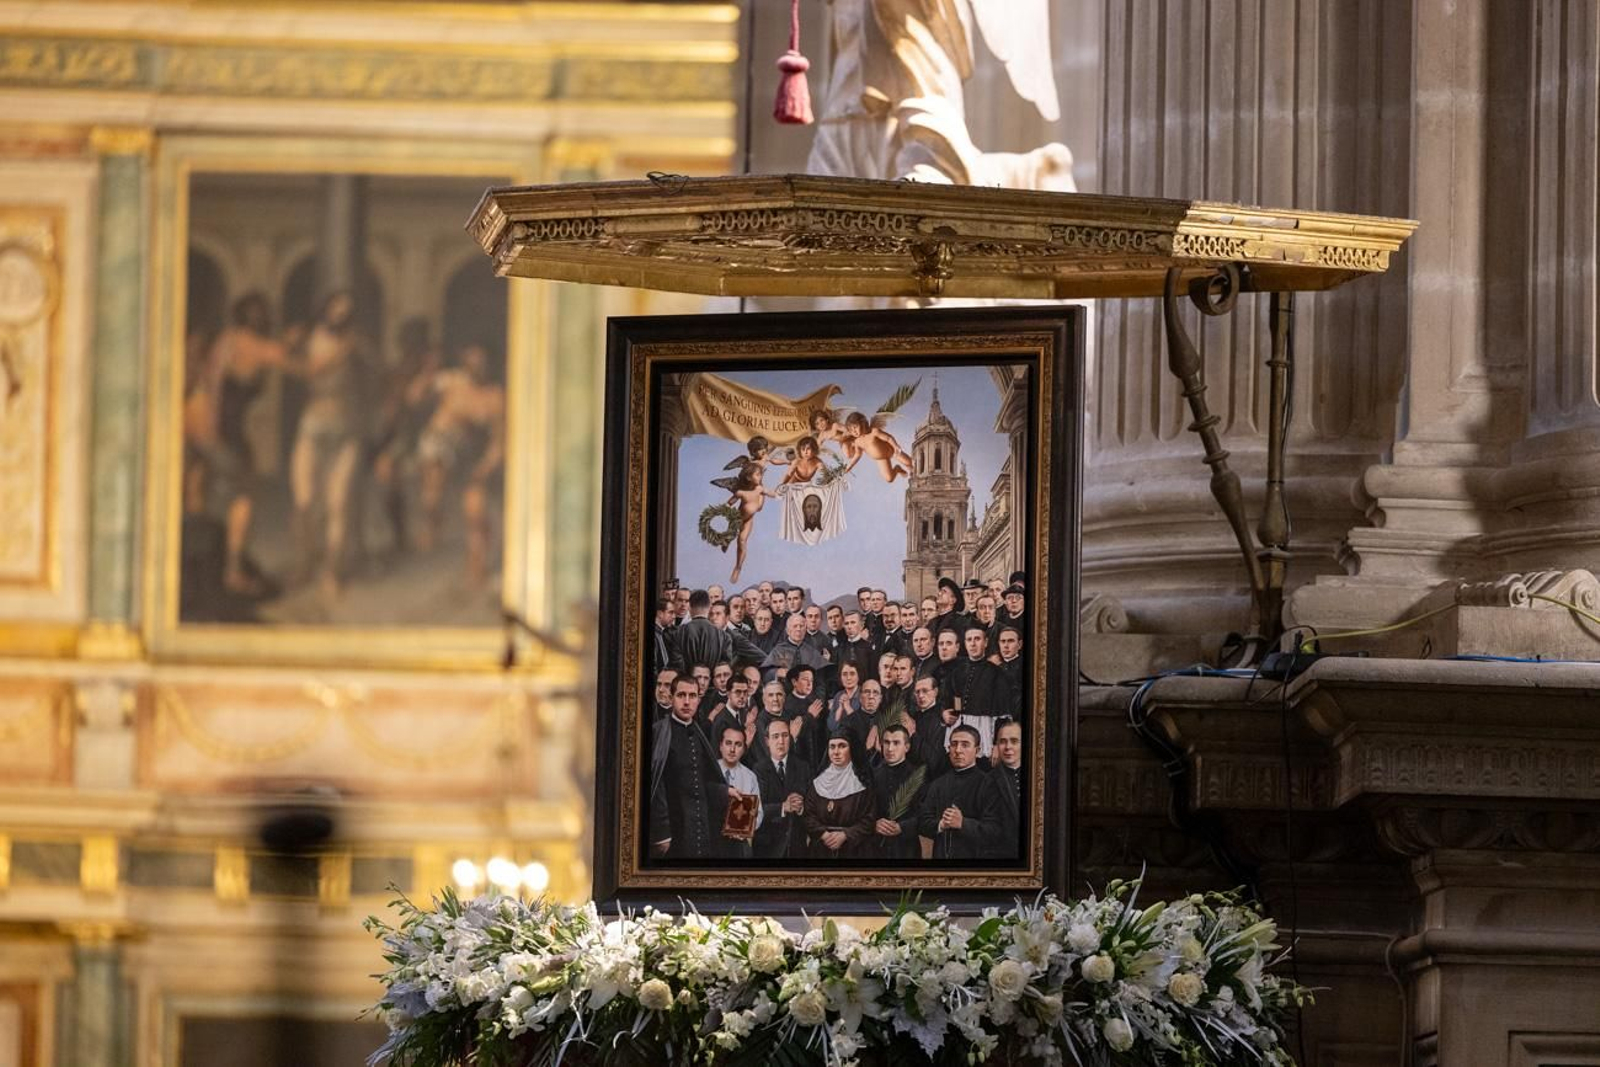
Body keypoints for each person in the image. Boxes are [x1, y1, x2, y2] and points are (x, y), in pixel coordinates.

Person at [290, 289, 370, 598]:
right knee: (305, 501)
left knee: (338, 503)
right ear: (325, 309)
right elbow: (302, 367)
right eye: (336, 307)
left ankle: (331, 571)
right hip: (312, 425)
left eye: (346, 310)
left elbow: (375, 374)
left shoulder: (356, 342)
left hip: (346, 428)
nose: (340, 314)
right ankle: (304, 563)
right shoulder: (309, 337)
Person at [417, 341, 505, 587]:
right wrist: (427, 373)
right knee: (433, 490)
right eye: (472, 361)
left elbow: (499, 442)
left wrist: (484, 468)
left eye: (482, 363)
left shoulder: (495, 397)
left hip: (472, 458)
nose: (476, 367)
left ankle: (476, 568)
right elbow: (417, 397)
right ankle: (432, 523)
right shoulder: (451, 382)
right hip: (440, 445)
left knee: (476, 511)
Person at [648, 676, 723, 860]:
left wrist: (726, 791)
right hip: (673, 828)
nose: (687, 701)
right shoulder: (658, 732)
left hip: (701, 824)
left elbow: (704, 779)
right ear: (671, 697)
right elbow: (655, 786)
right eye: (681, 695)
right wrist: (662, 833)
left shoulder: (700, 733)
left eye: (692, 696)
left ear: (699, 699)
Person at [917, 725, 1012, 860]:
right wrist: (941, 825)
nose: (958, 750)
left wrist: (963, 823)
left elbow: (996, 830)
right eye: (954, 744)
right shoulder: (938, 784)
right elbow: (922, 822)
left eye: (965, 745)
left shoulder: (989, 784)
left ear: (977, 750)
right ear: (948, 748)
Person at [804, 736, 875, 859]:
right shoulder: (817, 782)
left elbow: (869, 820)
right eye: (832, 747)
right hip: (820, 849)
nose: (836, 752)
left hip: (854, 850)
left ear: (851, 749)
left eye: (842, 746)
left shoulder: (862, 783)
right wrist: (824, 834)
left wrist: (845, 835)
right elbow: (808, 815)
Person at [754, 716, 811, 859]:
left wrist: (801, 807)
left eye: (785, 735)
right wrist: (783, 807)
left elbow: (813, 806)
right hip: (768, 849)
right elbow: (756, 810)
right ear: (767, 741)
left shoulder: (803, 767)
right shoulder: (758, 770)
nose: (781, 741)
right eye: (775, 736)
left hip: (797, 846)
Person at [871, 724, 926, 860]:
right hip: (876, 848)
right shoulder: (872, 776)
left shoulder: (918, 777)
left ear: (907, 747)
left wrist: (903, 827)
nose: (890, 748)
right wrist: (874, 823)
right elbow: (863, 811)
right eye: (886, 742)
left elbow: (925, 815)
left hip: (907, 849)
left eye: (896, 743)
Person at [710, 723, 763, 859]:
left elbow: (759, 812)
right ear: (720, 746)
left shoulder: (750, 776)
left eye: (738, 744)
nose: (732, 749)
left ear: (744, 749)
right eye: (728, 743)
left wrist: (746, 829)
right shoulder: (708, 771)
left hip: (739, 845)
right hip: (712, 842)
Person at [951, 627, 1007, 755]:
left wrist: (997, 744)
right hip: (961, 725)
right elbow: (957, 698)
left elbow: (1002, 712)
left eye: (977, 639)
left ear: (985, 642)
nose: (973, 643)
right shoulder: (958, 671)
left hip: (985, 729)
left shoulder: (996, 672)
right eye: (969, 639)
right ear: (964, 643)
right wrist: (957, 713)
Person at [725, 462, 778, 584]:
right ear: (749, 477)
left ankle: (738, 567)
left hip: (748, 520)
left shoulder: (759, 489)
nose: (760, 477)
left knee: (742, 541)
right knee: (729, 535)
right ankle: (726, 540)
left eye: (761, 475)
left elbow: (773, 494)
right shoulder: (741, 492)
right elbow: (729, 503)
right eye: (758, 475)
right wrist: (723, 510)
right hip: (737, 519)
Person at [908, 675, 955, 781]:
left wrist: (913, 734)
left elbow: (934, 760)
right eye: (917, 692)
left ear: (935, 692)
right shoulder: (915, 716)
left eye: (925, 691)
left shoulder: (942, 717)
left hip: (933, 778)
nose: (920, 695)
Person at [842, 410, 912, 482]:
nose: (854, 431)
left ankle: (913, 472)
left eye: (855, 427)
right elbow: (857, 455)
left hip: (892, 451)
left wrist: (895, 446)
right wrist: (850, 466)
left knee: (909, 462)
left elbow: (888, 438)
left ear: (862, 423)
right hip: (881, 459)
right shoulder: (857, 442)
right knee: (889, 479)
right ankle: (897, 469)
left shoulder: (874, 432)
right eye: (851, 430)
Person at [675, 589, 727, 673]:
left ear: (690, 607)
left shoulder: (679, 632)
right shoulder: (723, 635)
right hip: (711, 684)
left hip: (686, 683)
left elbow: (676, 663)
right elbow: (725, 665)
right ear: (709, 607)